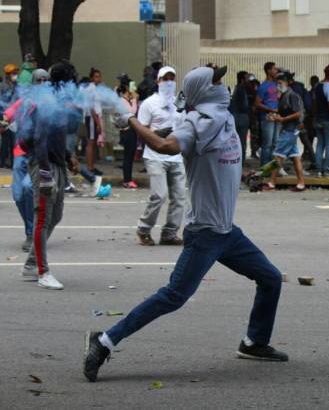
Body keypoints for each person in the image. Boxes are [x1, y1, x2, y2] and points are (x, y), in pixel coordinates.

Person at [84, 66, 288, 383]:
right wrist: (133, 121)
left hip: (227, 232)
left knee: (271, 279)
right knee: (174, 296)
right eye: (216, 81)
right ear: (201, 90)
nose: (222, 85)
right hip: (205, 234)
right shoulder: (197, 124)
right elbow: (165, 146)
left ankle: (254, 342)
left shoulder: (222, 118)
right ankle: (105, 340)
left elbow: (171, 136)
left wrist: (246, 176)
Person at [21, 60, 81, 290]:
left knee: (55, 216)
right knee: (43, 217)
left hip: (57, 164)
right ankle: (42, 272)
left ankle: (31, 264)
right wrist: (45, 173)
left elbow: (55, 137)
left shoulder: (58, 101)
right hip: (44, 165)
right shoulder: (45, 102)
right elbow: (38, 139)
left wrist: (67, 156)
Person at [135, 66, 187, 246]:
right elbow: (140, 129)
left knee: (179, 197)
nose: (169, 82)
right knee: (159, 195)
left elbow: (185, 126)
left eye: (172, 79)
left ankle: (169, 233)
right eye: (165, 79)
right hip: (155, 155)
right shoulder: (149, 103)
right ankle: (143, 229)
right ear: (158, 81)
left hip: (176, 156)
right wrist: (156, 132)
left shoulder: (179, 103)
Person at [1, 69, 49, 252]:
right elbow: (7, 116)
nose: (42, 83)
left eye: (45, 80)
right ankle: (31, 230)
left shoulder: (50, 104)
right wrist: (3, 123)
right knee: (18, 193)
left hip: (40, 155)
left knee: (30, 189)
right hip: (21, 153)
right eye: (39, 80)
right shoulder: (24, 102)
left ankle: (33, 232)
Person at [266, 71, 306, 192]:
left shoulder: (292, 95)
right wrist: (274, 115)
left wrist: (282, 119)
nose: (278, 85)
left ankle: (271, 182)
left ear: (287, 83)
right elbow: (284, 111)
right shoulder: (284, 95)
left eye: (280, 83)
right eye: (277, 83)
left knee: (278, 156)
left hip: (290, 130)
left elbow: (298, 113)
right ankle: (301, 183)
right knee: (295, 157)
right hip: (289, 130)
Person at [116, 74, 139, 189]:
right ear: (127, 88)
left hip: (131, 131)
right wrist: (135, 99)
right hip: (127, 132)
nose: (134, 89)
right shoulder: (122, 101)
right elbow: (131, 113)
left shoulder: (127, 100)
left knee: (130, 156)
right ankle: (127, 180)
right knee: (128, 157)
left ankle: (128, 179)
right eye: (132, 87)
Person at [255, 62, 279, 166]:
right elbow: (257, 103)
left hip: (277, 117)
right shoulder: (263, 86)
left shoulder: (277, 84)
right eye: (274, 69)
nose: (276, 71)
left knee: (275, 144)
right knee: (267, 144)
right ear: (268, 71)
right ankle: (264, 167)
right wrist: (271, 109)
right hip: (267, 118)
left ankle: (272, 168)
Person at [84, 68, 103, 176]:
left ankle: (92, 166)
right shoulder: (90, 89)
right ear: (91, 78)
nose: (98, 79)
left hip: (94, 117)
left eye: (99, 76)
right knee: (91, 143)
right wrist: (98, 123)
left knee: (93, 142)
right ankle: (90, 168)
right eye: (96, 76)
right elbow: (91, 108)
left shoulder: (96, 89)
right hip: (92, 118)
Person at [230, 71, 251, 164]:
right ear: (242, 79)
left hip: (236, 118)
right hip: (241, 118)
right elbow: (244, 106)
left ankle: (238, 159)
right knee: (242, 141)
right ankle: (241, 161)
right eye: (247, 78)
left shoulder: (236, 88)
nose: (248, 80)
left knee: (237, 141)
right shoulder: (242, 89)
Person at [0, 63, 19, 168]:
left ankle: (13, 164)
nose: (16, 75)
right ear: (8, 74)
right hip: (4, 116)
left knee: (14, 142)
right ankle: (2, 163)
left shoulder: (16, 85)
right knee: (5, 142)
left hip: (15, 117)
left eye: (16, 73)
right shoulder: (2, 86)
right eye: (14, 73)